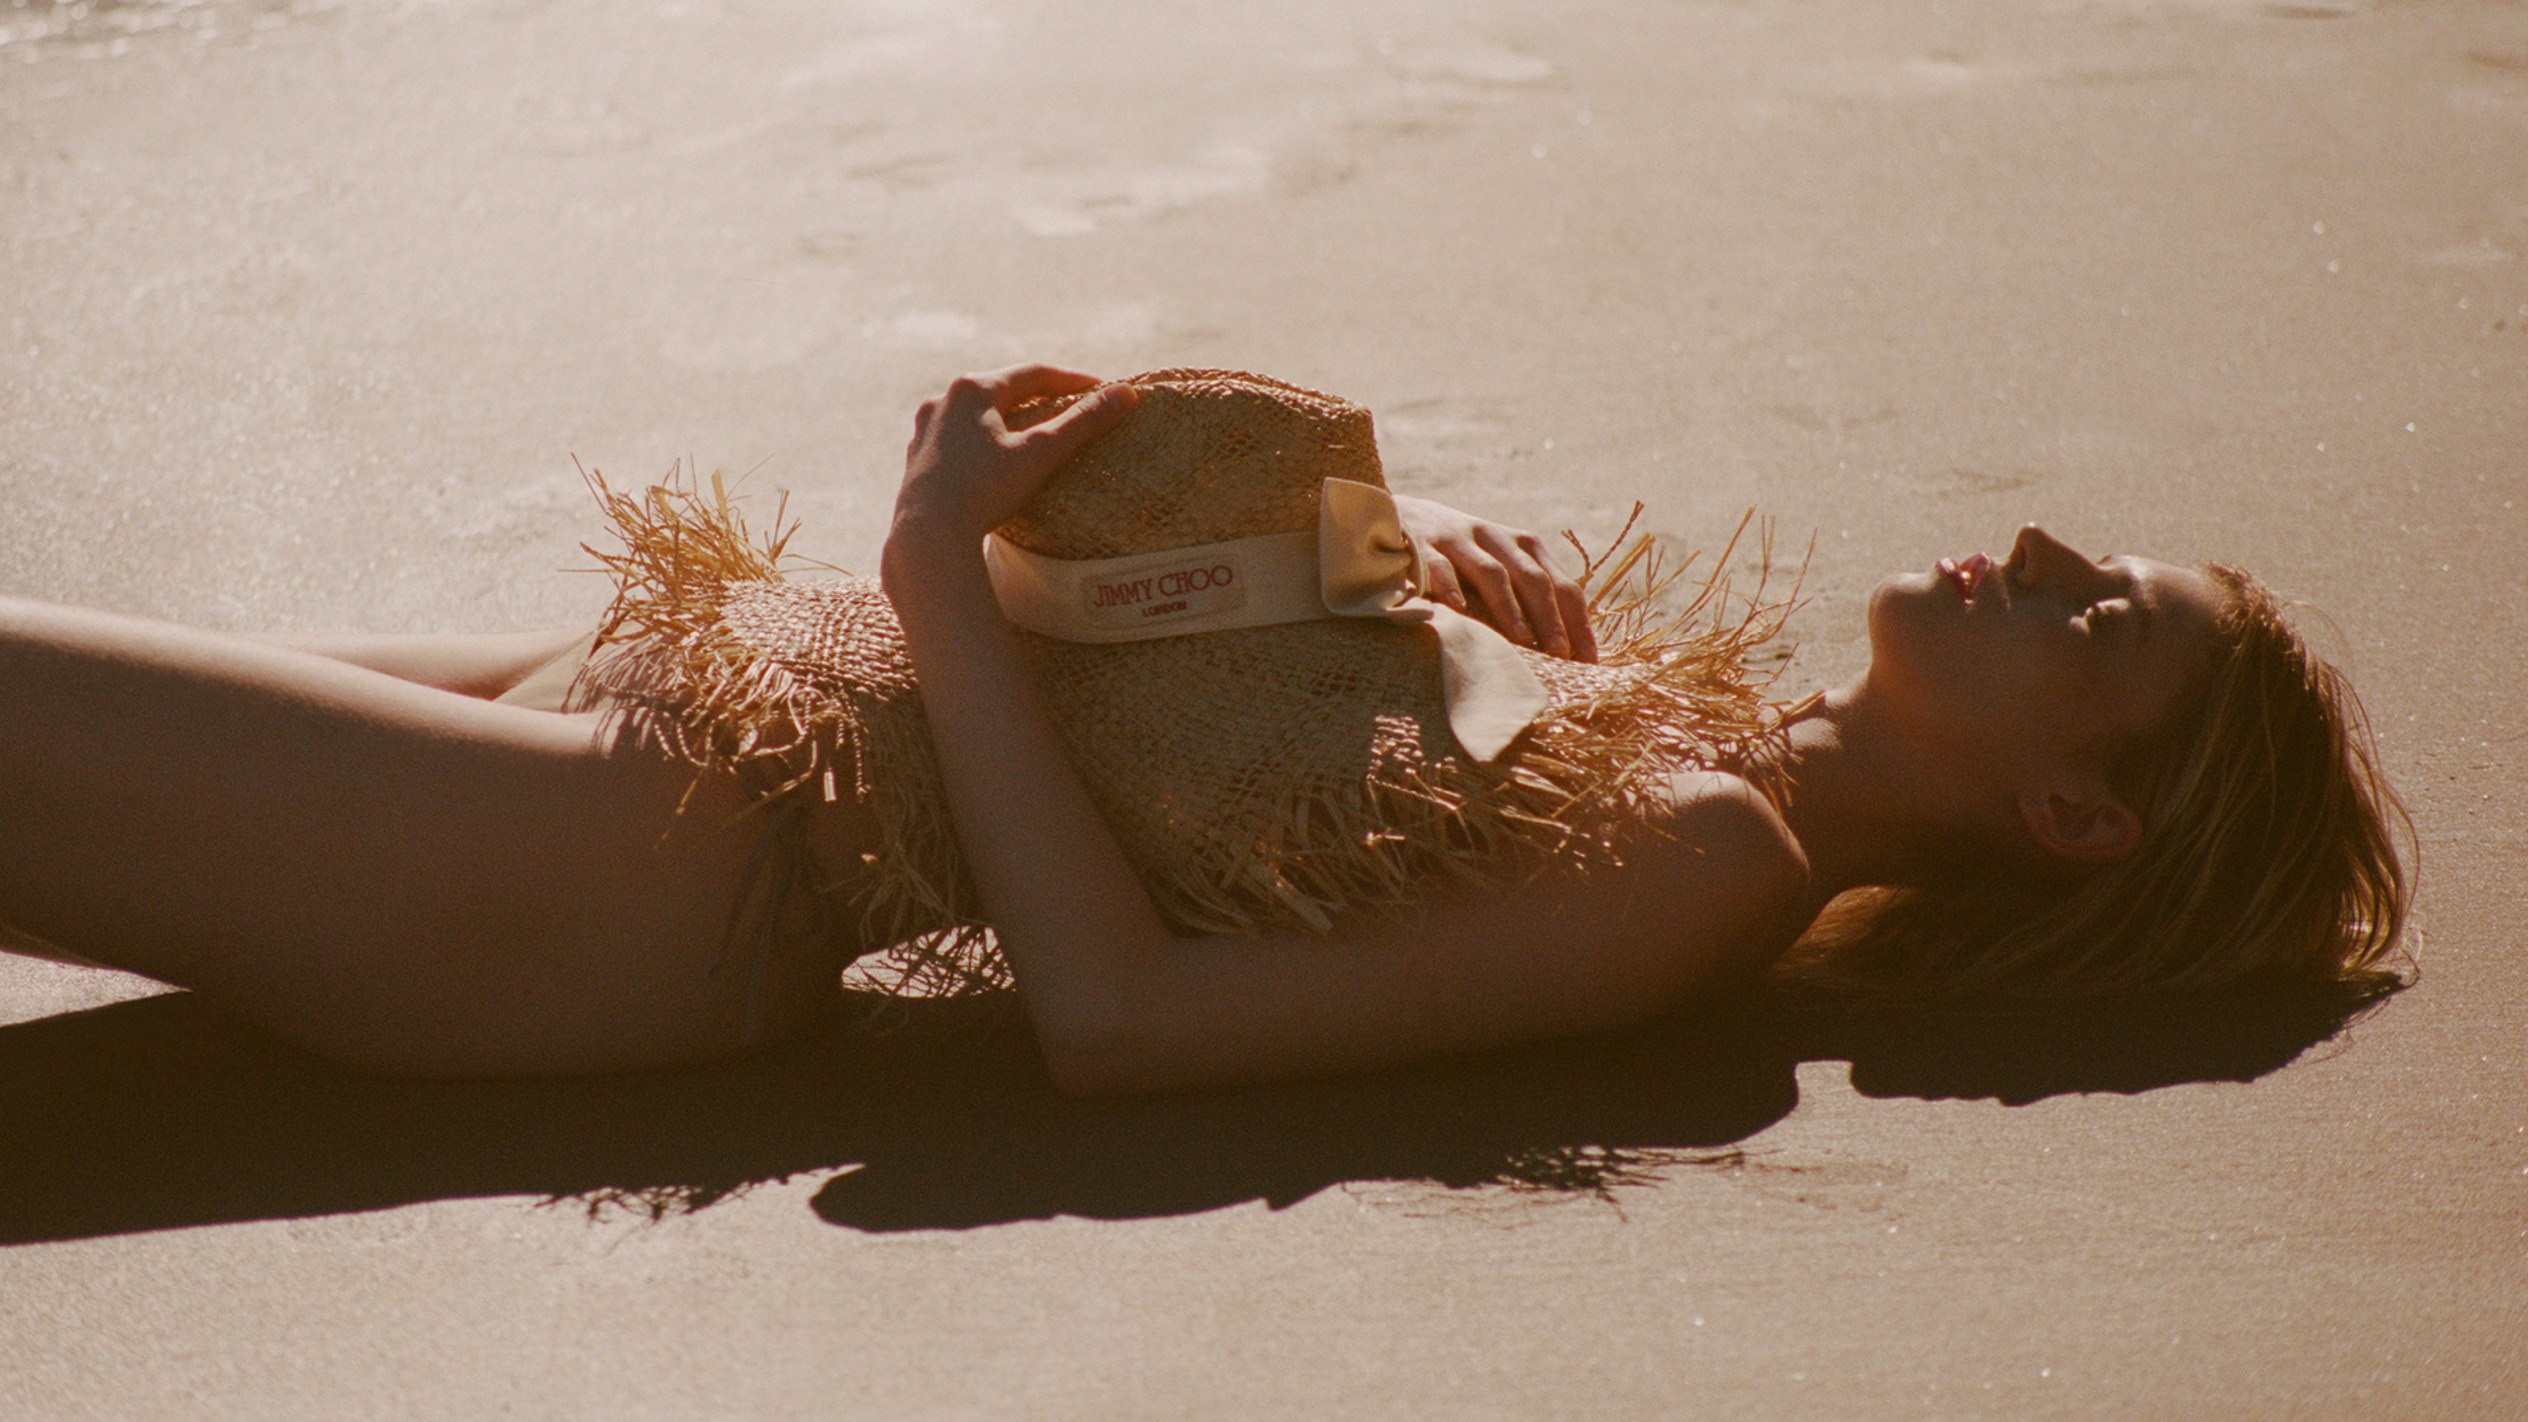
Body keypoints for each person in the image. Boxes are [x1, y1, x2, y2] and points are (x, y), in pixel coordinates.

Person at [0, 365, 2409, 1093]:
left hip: (637, 861)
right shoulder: (1639, 704)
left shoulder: (1708, 863)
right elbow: (1204, 713)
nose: (2059, 559)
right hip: (639, 704)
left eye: (2111, 627)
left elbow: (1130, 1022)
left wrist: (942, 582)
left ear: (2075, 811)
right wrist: (1361, 538)